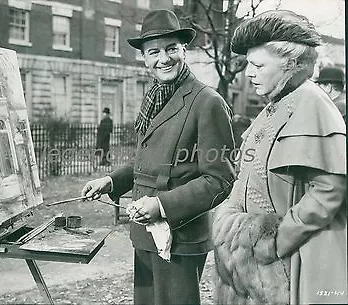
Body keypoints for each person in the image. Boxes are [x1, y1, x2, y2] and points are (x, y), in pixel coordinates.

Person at [81, 9, 235, 305]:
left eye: (171, 49)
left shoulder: (207, 102)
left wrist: (162, 205)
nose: (163, 59)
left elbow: (220, 179)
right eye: (154, 52)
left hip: (180, 239)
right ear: (144, 58)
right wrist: (111, 181)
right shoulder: (156, 96)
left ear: (183, 51)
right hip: (145, 234)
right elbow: (149, 159)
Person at [211, 10, 347, 305]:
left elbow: (329, 190)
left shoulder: (313, 104)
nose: (249, 72)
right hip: (249, 265)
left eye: (258, 64)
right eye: (248, 64)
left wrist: (275, 240)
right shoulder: (276, 103)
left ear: (291, 64)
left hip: (287, 266)